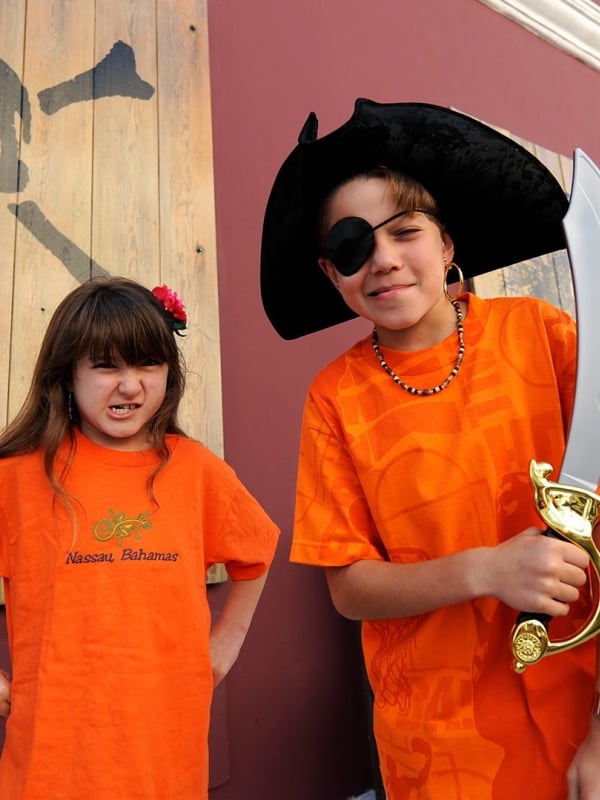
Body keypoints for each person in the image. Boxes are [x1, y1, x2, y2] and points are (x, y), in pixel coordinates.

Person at [260, 99, 599, 799]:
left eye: (404, 232)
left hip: (581, 705)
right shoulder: (334, 398)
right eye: (354, 249)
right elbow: (349, 586)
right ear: (331, 275)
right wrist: (486, 570)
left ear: (446, 244)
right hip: (444, 748)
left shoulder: (541, 334)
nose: (383, 261)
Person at [0, 276, 279, 799]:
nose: (130, 385)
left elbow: (257, 550)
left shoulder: (195, 470)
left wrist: (225, 645)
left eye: (147, 364)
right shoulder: (18, 477)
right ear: (67, 374)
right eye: (106, 365)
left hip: (164, 756)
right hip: (50, 760)